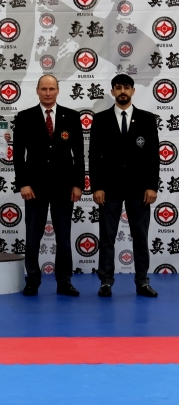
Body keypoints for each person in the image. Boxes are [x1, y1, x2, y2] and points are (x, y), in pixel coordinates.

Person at [13, 74, 84, 296]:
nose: (47, 93)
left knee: (63, 237)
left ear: (58, 91)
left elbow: (79, 154)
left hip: (64, 187)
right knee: (33, 237)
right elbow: (18, 154)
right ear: (37, 90)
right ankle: (33, 280)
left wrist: (78, 184)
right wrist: (23, 183)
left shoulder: (71, 117)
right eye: (43, 89)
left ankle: (64, 281)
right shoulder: (25, 117)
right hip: (34, 187)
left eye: (51, 89)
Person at [89, 74, 159, 297]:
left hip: (139, 189)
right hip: (109, 188)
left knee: (140, 237)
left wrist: (152, 186)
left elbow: (153, 156)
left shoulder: (147, 119)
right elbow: (94, 156)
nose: (122, 91)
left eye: (126, 87)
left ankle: (142, 281)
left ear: (133, 91)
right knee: (107, 237)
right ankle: (106, 281)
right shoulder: (101, 119)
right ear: (112, 92)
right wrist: (97, 187)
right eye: (118, 87)